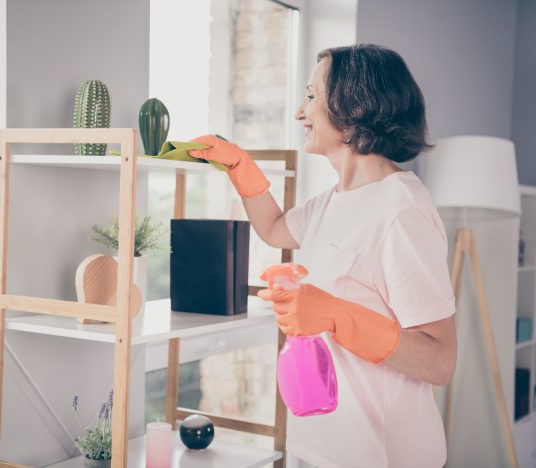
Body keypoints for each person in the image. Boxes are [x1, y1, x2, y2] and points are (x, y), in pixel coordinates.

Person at [188, 44, 456, 468]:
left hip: (381, 453)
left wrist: (337, 315)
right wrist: (241, 167)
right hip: (317, 444)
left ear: (354, 104)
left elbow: (439, 361)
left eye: (312, 96)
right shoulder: (333, 199)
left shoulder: (402, 209)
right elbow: (276, 228)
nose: (300, 111)